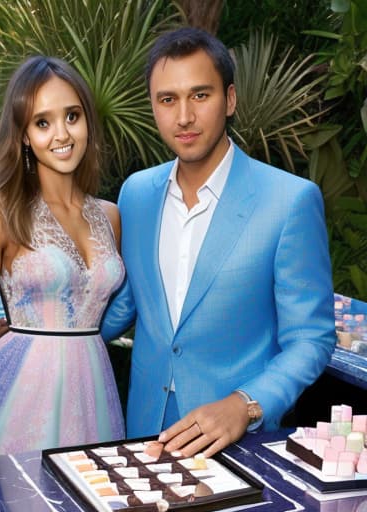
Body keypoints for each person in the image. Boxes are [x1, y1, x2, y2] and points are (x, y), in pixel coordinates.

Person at [101, 27, 336, 458]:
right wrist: (39, 328)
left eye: (200, 96)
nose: (184, 117)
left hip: (241, 446)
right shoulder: (136, 194)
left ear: (229, 100)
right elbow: (127, 303)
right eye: (167, 99)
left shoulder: (290, 201)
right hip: (143, 434)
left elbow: (311, 338)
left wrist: (245, 404)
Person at [0, 56, 125, 456]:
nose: (61, 134)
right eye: (42, 122)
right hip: (21, 394)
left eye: (72, 116)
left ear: (87, 121)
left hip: (95, 390)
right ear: (24, 135)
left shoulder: (110, 216)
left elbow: (101, 308)